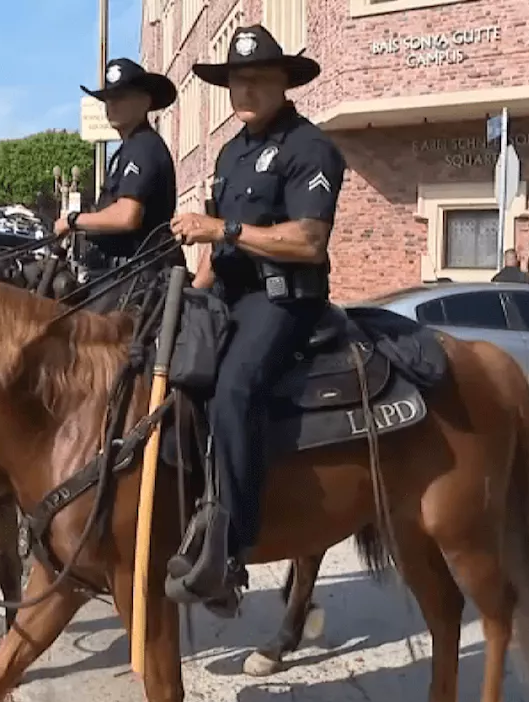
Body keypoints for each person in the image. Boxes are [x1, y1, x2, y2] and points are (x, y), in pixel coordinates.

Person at [166, 24, 345, 608]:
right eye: (235, 80)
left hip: (284, 299)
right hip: (229, 295)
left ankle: (233, 547)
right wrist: (191, 294)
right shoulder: (230, 151)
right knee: (165, 372)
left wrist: (223, 229)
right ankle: (185, 506)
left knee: (234, 388)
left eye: (256, 79)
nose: (243, 89)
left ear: (282, 83)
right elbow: (219, 253)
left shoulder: (309, 147)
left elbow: (309, 241)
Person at [52, 58, 183, 308]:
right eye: (108, 99)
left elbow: (127, 216)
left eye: (121, 97)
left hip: (136, 281)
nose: (111, 105)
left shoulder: (143, 146)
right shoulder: (128, 149)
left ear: (145, 101)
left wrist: (73, 221)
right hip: (120, 277)